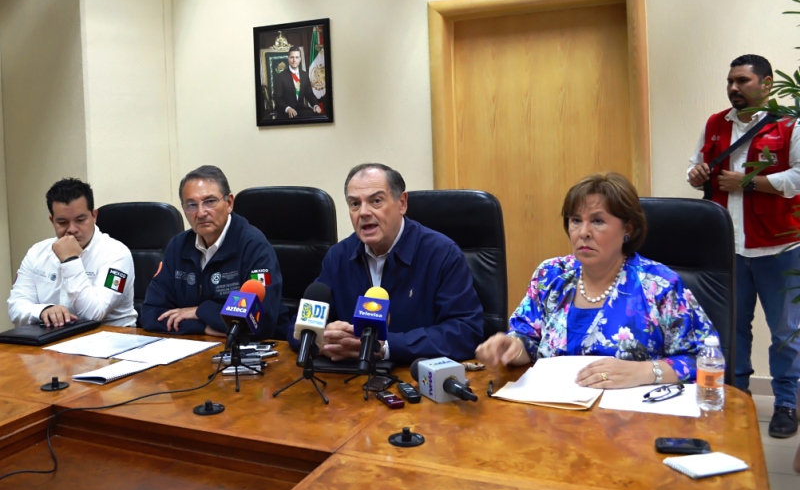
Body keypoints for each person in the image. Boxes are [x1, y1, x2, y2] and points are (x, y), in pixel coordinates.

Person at [477, 172, 719, 389]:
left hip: (632, 415)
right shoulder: (550, 275)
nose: (583, 232)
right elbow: (527, 339)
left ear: (628, 229)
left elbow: (704, 359)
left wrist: (644, 371)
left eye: (597, 221)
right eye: (576, 220)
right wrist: (511, 347)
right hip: (555, 411)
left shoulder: (659, 285)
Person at [687, 54, 800, 438]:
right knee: (731, 331)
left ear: (767, 84)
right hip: (727, 250)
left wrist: (749, 183)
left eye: (742, 81)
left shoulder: (790, 124)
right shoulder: (715, 123)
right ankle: (737, 398)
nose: (733, 88)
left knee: (785, 333)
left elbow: (798, 177)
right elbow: (695, 166)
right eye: (730, 81)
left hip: (779, 249)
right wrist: (696, 173)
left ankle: (786, 404)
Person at [288, 163, 484, 363]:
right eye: (355, 204)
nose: (363, 212)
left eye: (376, 201)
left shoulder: (442, 254)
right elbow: (296, 324)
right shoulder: (338, 256)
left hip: (415, 376)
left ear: (402, 203)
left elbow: (465, 332)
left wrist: (385, 346)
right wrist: (323, 337)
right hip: (349, 377)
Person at [140, 165, 283, 340]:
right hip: (193, 346)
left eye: (210, 201)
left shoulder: (253, 246)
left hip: (249, 349)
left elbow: (258, 322)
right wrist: (204, 326)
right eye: (192, 205)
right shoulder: (178, 246)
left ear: (229, 203)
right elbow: (151, 314)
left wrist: (201, 311)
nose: (201, 213)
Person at [8, 178, 137, 327]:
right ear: (52, 221)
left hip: (111, 336)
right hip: (55, 336)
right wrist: (43, 311)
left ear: (94, 216)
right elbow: (15, 306)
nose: (72, 229)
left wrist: (70, 260)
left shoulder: (117, 254)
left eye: (80, 220)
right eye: (62, 222)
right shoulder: (37, 252)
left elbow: (95, 314)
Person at [273, 47, 323, 119]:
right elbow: (277, 98)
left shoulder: (304, 75)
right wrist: (287, 108)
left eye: (296, 57)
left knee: (319, 117)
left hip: (300, 110)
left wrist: (315, 105)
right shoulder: (281, 76)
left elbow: (309, 94)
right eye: (292, 57)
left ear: (300, 59)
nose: (294, 60)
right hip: (285, 111)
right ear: (288, 59)